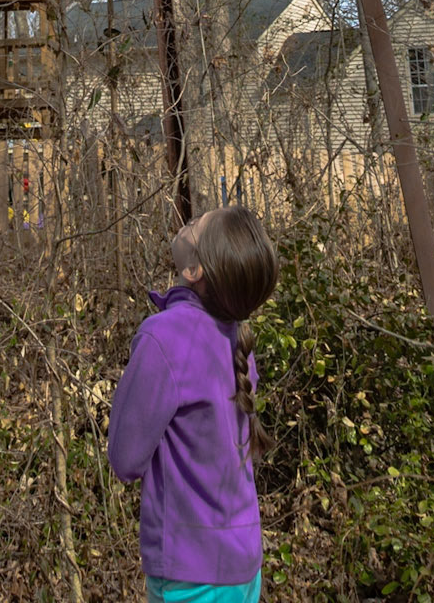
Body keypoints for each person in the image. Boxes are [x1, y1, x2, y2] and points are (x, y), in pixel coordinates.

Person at [108, 204, 279, 603]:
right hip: (243, 568)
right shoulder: (237, 339)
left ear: (194, 271)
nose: (191, 221)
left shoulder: (163, 336)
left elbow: (125, 459)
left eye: (197, 225)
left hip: (191, 576)